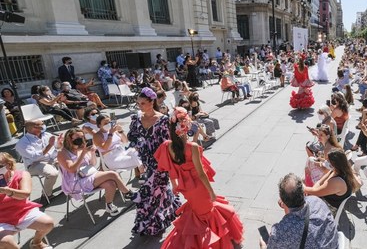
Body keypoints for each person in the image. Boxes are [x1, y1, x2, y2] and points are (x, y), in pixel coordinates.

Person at [154, 107, 243, 248]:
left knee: (199, 213)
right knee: (208, 213)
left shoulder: (167, 146)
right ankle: (210, 244)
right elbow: (201, 174)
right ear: (186, 126)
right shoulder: (192, 147)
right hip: (198, 187)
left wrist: (175, 185)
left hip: (186, 189)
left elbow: (170, 169)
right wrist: (211, 192)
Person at [127, 87, 181, 235]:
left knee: (148, 193)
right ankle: (170, 211)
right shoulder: (136, 118)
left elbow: (168, 143)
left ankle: (149, 224)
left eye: (143, 103)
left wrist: (172, 165)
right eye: (138, 103)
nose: (139, 106)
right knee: (159, 191)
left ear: (152, 102)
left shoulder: (163, 120)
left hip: (160, 162)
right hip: (145, 161)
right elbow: (132, 138)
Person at [57, 128, 136, 216]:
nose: (81, 139)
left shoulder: (82, 148)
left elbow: (93, 164)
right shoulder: (63, 153)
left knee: (111, 183)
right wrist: (83, 153)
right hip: (75, 182)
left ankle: (109, 205)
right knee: (112, 174)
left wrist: (93, 153)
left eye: (82, 137)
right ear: (69, 139)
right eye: (77, 137)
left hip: (88, 175)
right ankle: (128, 194)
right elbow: (71, 169)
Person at [259, 173, 338, 249]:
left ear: (282, 199)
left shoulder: (281, 231)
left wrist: (263, 247)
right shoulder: (317, 201)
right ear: (303, 192)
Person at [0, 152, 55, 249]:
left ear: (8, 165)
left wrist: (7, 191)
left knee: (48, 223)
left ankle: (36, 243)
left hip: (23, 211)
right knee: (5, 241)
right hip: (2, 218)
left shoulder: (22, 175)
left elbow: (26, 194)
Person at [14, 121, 61, 202]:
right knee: (53, 174)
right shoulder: (22, 143)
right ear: (34, 128)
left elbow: (57, 146)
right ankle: (46, 196)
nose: (44, 125)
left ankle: (70, 186)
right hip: (34, 165)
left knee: (71, 161)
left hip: (52, 159)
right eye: (41, 124)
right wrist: (49, 145)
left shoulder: (47, 135)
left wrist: (60, 142)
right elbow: (35, 157)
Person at [304, 149, 361, 214]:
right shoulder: (337, 171)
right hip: (327, 199)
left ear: (334, 163)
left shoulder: (337, 181)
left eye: (328, 160)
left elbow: (316, 192)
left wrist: (303, 187)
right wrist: (313, 190)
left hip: (329, 208)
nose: (325, 161)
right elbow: (320, 181)